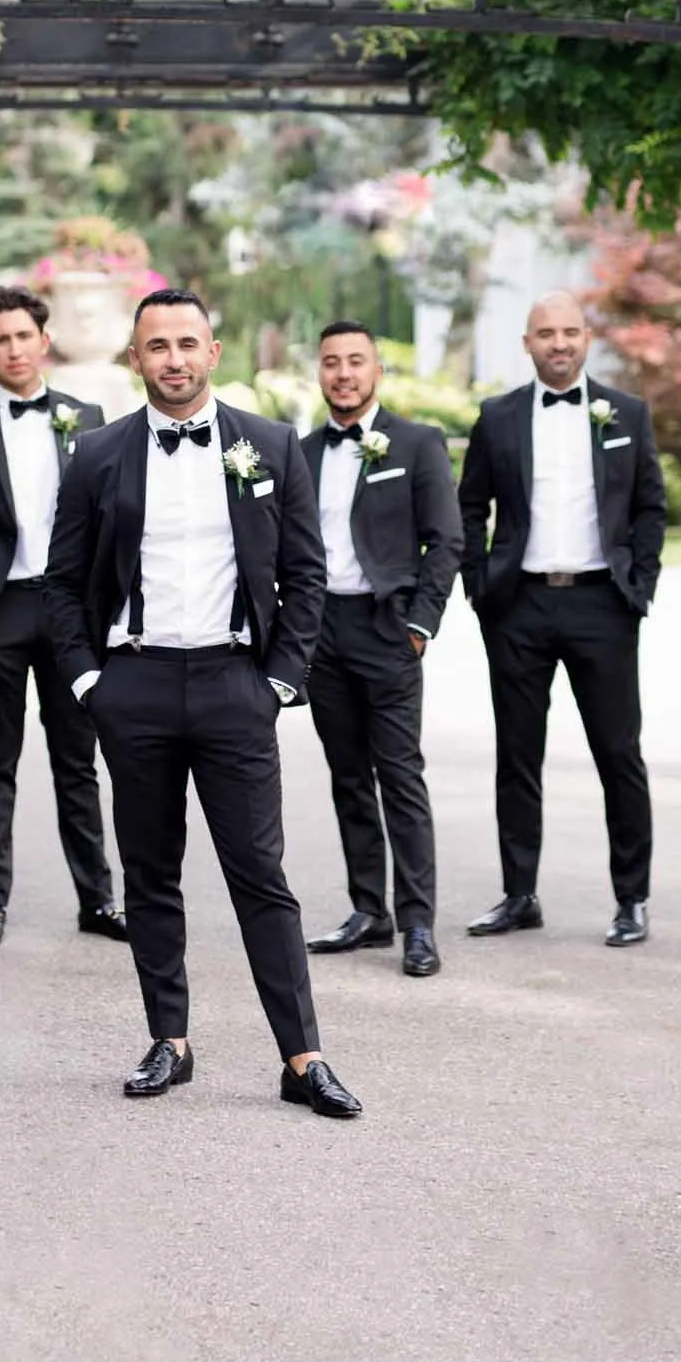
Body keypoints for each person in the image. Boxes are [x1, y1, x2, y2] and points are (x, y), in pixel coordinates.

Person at [45, 288, 361, 1117]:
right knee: (149, 874)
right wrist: (90, 683)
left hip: (234, 686)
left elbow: (306, 573)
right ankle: (169, 1041)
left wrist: (280, 682)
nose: (174, 359)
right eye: (158, 346)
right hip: (135, 685)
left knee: (260, 876)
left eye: (188, 343)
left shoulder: (270, 446)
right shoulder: (98, 454)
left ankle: (302, 1059)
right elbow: (62, 583)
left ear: (212, 352)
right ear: (136, 358)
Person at [459, 289, 665, 946]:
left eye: (569, 331)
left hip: (601, 602)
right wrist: (479, 587)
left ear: (586, 339)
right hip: (517, 605)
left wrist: (640, 585)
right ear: (526, 344)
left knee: (617, 754)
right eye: (544, 333)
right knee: (516, 756)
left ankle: (631, 899)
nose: (557, 343)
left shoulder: (625, 413)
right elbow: (468, 508)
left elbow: (649, 507)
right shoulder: (497, 417)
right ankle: (519, 894)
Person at [0, 282, 125, 949]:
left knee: (77, 760)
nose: (14, 349)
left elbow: (111, 521)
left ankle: (97, 900)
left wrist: (106, 611)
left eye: (23, 336)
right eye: (0, 340)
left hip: (70, 613)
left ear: (44, 340)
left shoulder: (88, 416)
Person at [302, 321, 463, 977]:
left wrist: (419, 625)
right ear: (320, 372)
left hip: (385, 627)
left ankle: (417, 923)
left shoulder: (417, 443)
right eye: (331, 362)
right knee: (347, 777)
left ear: (376, 371)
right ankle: (368, 910)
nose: (342, 373)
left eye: (355, 361)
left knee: (399, 776)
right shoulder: (300, 450)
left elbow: (446, 540)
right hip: (320, 633)